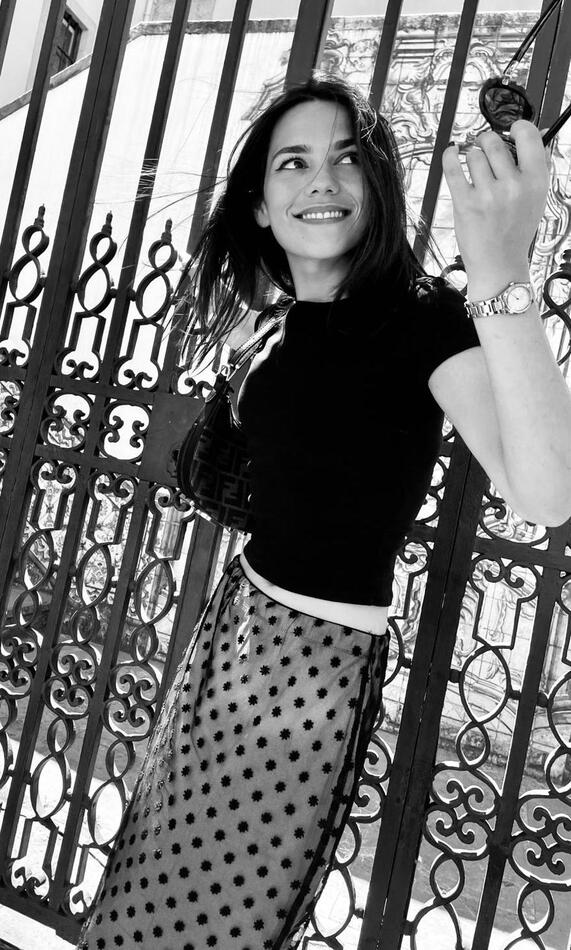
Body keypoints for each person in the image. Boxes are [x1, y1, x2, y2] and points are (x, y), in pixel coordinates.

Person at [78, 75, 570, 949]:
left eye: (346, 158)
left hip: (313, 662)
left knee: (220, 919)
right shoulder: (271, 327)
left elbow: (545, 491)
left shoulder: (421, 318)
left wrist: (500, 271)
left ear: (377, 186)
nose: (321, 180)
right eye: (292, 163)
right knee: (141, 889)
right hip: (229, 628)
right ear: (260, 206)